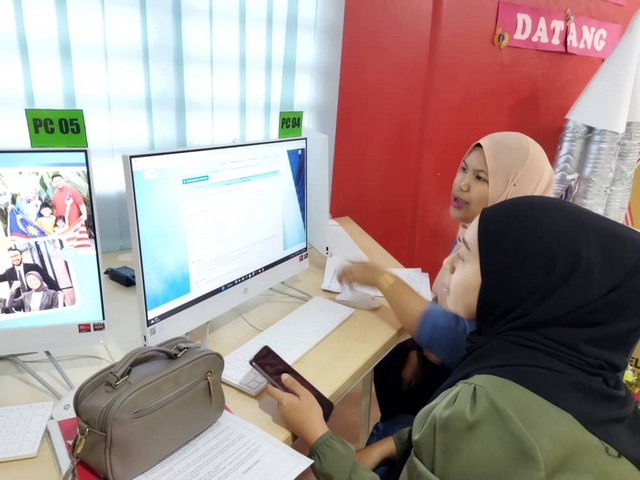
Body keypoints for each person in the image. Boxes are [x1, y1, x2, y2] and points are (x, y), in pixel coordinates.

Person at [267, 196, 640, 479]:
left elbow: (480, 434)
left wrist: (318, 435)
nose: (446, 264)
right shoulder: (581, 378)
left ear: (514, 281)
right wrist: (388, 446)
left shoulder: (491, 409)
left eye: (463, 255)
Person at [340, 131, 555, 423]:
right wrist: (417, 346)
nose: (462, 184)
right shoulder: (473, 233)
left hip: (461, 400)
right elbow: (443, 301)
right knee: (392, 357)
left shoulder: (509, 265)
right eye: (463, 169)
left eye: (480, 178)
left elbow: (459, 341)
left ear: (514, 191)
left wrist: (382, 279)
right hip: (440, 371)